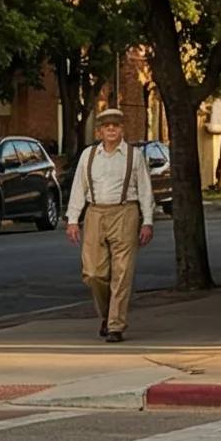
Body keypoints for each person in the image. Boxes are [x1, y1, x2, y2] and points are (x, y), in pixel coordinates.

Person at [65, 107, 154, 343]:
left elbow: (145, 191)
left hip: (126, 211)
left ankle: (116, 325)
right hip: (95, 212)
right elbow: (78, 188)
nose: (111, 130)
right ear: (100, 131)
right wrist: (73, 219)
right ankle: (107, 314)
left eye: (115, 126)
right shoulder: (89, 155)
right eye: (107, 126)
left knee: (122, 272)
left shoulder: (134, 156)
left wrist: (147, 221)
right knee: (93, 273)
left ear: (122, 129)